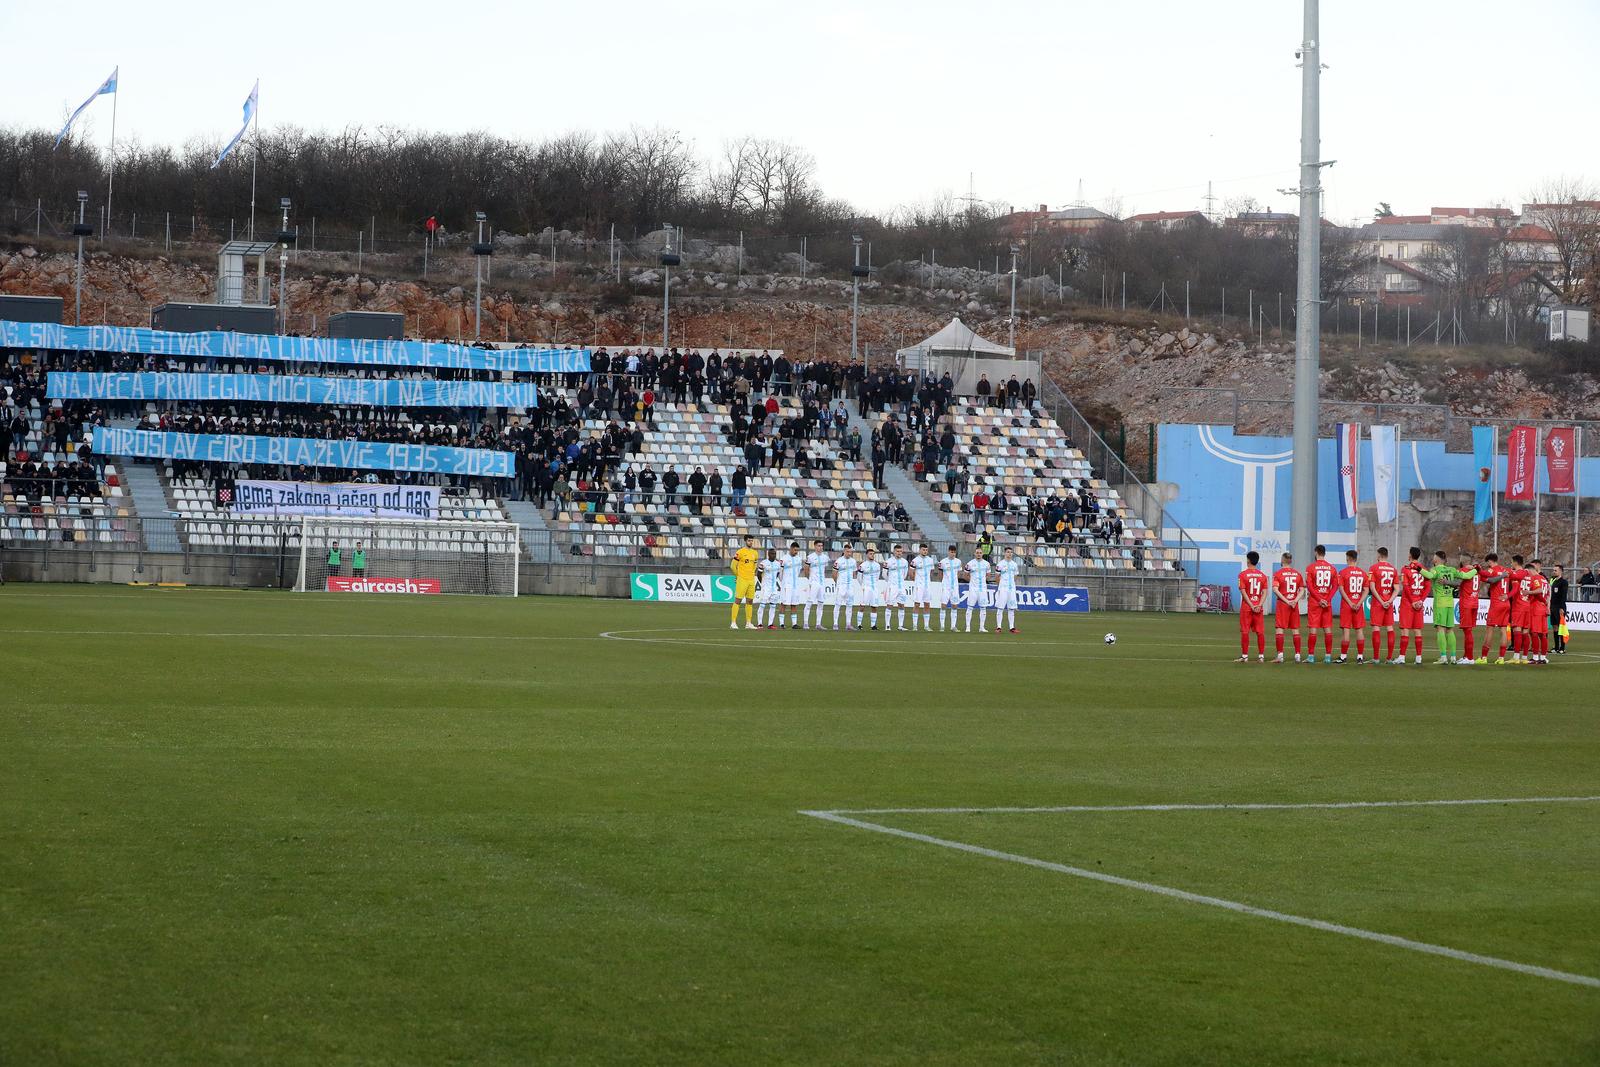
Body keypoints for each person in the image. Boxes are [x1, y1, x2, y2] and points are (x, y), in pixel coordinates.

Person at [1420, 550, 1461, 664]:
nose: (1433, 558)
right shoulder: (1452, 570)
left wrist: (1418, 568)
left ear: (1436, 559)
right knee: (1450, 630)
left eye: (1434, 557)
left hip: (1440, 603)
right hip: (1450, 602)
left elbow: (1428, 575)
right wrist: (1474, 570)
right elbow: (1464, 577)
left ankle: (1443, 657)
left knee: (1440, 629)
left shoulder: (1435, 570)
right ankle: (1453, 657)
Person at [1334, 550, 1369, 664]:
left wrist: (1349, 602)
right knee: (1359, 630)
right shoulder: (1363, 573)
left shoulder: (1343, 572)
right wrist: (1359, 602)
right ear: (1356, 559)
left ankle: (1343, 657)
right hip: (1358, 605)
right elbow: (1366, 590)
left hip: (1347, 605)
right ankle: (1360, 657)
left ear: (1348, 558)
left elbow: (1341, 589)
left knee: (1346, 630)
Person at [1304, 545, 1338, 664]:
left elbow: (1309, 585)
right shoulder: (1332, 568)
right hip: (1326, 602)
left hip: (1315, 602)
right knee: (1327, 628)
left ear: (1316, 553)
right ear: (1324, 553)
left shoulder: (1311, 567)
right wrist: (1327, 599)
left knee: (1313, 628)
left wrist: (1319, 599)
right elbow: (1335, 586)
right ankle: (1328, 656)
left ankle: (1311, 656)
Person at [1397, 547, 1430, 665]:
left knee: (1405, 629)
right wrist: (1421, 600)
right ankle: (1418, 658)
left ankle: (1402, 657)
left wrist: (1412, 601)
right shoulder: (1423, 569)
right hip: (1419, 603)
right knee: (1417, 630)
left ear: (1410, 555)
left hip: (1408, 602)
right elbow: (1428, 586)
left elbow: (1405, 587)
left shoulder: (1405, 569)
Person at [1367, 547, 1399, 664]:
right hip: (1388, 603)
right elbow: (1397, 589)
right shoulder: (1393, 569)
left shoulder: (1373, 568)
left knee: (1376, 628)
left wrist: (1380, 601)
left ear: (1379, 555)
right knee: (1390, 628)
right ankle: (1389, 658)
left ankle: (1376, 658)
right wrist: (1389, 601)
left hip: (1377, 603)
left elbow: (1372, 587)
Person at [1477, 551, 1511, 664]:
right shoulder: (1505, 570)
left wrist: (1479, 570)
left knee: (1489, 629)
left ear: (1490, 561)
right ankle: (1501, 658)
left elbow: (1488, 577)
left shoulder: (1493, 570)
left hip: (1496, 603)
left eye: (1488, 563)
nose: (1488, 566)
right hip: (1506, 602)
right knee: (1503, 630)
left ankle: (1484, 657)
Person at [1270, 551, 1304, 663]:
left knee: (1280, 628)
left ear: (1282, 560)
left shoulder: (1278, 574)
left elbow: (1275, 589)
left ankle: (1280, 656)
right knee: (1295, 629)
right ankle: (1298, 655)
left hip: (1283, 604)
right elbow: (1302, 590)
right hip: (1294, 605)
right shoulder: (1297, 574)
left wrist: (1287, 601)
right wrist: (1295, 600)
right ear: (1291, 561)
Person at [1238, 550, 1268, 663]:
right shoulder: (1263, 576)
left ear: (1248, 560)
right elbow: (1265, 592)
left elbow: (1243, 592)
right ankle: (1261, 656)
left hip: (1247, 607)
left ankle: (1245, 656)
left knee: (1245, 631)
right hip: (1258, 608)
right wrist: (1259, 605)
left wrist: (1251, 605)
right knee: (1260, 632)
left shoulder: (1242, 575)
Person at [1453, 552, 1482, 667]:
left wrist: (1446, 582)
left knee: (1467, 631)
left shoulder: (1464, 571)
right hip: (1475, 602)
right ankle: (1466, 656)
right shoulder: (1477, 572)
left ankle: (1470, 657)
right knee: (1467, 631)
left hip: (1466, 603)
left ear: (1463, 561)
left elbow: (1458, 582)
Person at [730, 535, 760, 629]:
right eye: (749, 541)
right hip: (742, 579)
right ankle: (733, 622)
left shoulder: (755, 553)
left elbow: (755, 565)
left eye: (752, 541)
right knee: (738, 600)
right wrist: (737, 576)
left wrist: (752, 573)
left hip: (751, 579)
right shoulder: (740, 552)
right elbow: (732, 566)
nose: (751, 542)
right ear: (745, 541)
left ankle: (748, 623)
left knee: (750, 601)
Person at [1525, 561, 1551, 665]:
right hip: (1543, 608)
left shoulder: (1535, 578)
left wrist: (1528, 592)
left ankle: (1536, 657)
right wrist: (1547, 606)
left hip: (1536, 608)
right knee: (1542, 634)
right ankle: (1543, 657)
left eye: (1527, 572)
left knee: (1535, 633)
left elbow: (1539, 591)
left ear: (1529, 570)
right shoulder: (1544, 579)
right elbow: (1548, 594)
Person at [1508, 554, 1533, 664]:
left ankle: (1516, 657)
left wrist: (1507, 596)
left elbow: (1514, 585)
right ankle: (1524, 658)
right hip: (1527, 604)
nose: (1511, 564)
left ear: (1515, 562)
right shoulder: (1529, 575)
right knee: (1525, 632)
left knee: (1517, 631)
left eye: (1511, 562)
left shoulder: (1517, 574)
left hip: (1518, 605)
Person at [775, 541, 805, 629]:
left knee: (794, 604)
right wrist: (783, 581)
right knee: (783, 603)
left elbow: (798, 571)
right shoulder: (784, 559)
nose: (796, 552)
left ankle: (794, 624)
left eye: (797, 551)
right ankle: (781, 624)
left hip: (795, 585)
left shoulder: (798, 559)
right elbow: (780, 572)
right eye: (795, 550)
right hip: (786, 585)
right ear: (791, 549)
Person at [802, 539, 831, 630]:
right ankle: (806, 623)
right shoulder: (810, 557)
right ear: (814, 546)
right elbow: (806, 569)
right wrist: (810, 580)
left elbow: (824, 569)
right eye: (818, 546)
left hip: (822, 583)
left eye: (822, 546)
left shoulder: (825, 557)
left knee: (821, 603)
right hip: (813, 582)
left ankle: (818, 624)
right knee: (810, 602)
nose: (820, 547)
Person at [993, 546, 1022, 634]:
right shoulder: (1000, 564)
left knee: (1011, 608)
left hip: (1011, 589)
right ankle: (998, 627)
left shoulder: (1014, 564)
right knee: (1000, 608)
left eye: (1011, 552)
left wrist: (1011, 583)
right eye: (1008, 552)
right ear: (1004, 553)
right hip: (1003, 589)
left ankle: (1012, 628)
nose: (1009, 554)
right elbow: (997, 576)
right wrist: (1000, 586)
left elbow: (1016, 575)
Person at [833, 543, 860, 631]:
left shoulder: (853, 561)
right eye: (847, 552)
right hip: (841, 586)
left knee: (850, 605)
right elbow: (834, 574)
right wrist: (838, 583)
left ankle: (848, 624)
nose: (849, 553)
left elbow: (854, 573)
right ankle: (835, 624)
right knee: (838, 604)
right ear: (844, 551)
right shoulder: (838, 561)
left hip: (850, 586)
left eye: (850, 552)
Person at [911, 543, 937, 631]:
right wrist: (916, 581)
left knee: (927, 604)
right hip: (919, 585)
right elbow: (911, 572)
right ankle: (915, 625)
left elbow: (932, 571)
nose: (925, 551)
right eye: (923, 550)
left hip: (927, 585)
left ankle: (926, 626)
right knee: (917, 604)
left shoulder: (930, 560)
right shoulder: (915, 560)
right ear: (919, 550)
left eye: (926, 550)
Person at [964, 550, 992, 633]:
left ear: (982, 554)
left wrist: (983, 581)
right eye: (977, 553)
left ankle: (982, 627)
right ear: (974, 553)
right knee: (970, 607)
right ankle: (968, 627)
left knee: (983, 607)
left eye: (980, 553)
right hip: (973, 589)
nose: (979, 554)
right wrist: (972, 582)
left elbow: (988, 575)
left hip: (983, 589)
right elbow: (965, 575)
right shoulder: (970, 564)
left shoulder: (986, 564)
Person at [856, 547, 884, 631]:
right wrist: (864, 585)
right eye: (870, 554)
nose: (872, 555)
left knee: (874, 606)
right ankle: (859, 624)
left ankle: (873, 625)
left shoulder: (877, 565)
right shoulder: (863, 565)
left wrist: (874, 585)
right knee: (862, 606)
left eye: (873, 554)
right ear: (867, 555)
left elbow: (877, 576)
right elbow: (859, 578)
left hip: (874, 588)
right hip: (866, 587)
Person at [885, 544, 911, 631]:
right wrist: (890, 582)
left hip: (901, 587)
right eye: (897, 551)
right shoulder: (888, 561)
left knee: (901, 605)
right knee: (890, 604)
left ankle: (900, 626)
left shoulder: (905, 562)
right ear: (894, 552)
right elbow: (884, 574)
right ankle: (887, 625)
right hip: (892, 587)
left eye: (900, 551)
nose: (899, 553)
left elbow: (905, 573)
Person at [938, 544, 963, 632]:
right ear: (948, 552)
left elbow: (959, 573)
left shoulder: (958, 562)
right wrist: (943, 582)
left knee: (954, 605)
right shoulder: (943, 562)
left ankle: (953, 626)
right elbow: (940, 573)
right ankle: (942, 626)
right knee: (943, 605)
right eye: (951, 552)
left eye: (954, 552)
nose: (952, 554)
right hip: (946, 586)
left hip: (955, 587)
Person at [756, 548, 781, 629]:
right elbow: (759, 574)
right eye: (772, 554)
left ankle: (770, 624)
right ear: (768, 554)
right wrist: (762, 583)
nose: (773, 555)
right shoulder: (763, 563)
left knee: (773, 606)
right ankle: (760, 624)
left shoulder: (778, 564)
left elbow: (777, 574)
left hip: (774, 588)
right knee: (762, 605)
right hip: (765, 587)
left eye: (774, 554)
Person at [1550, 564, 1569, 654]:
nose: (1554, 572)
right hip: (1553, 606)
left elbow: (1563, 596)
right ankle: (1556, 647)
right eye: (1553, 570)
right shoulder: (1554, 581)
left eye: (1555, 570)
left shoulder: (1564, 582)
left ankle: (1562, 647)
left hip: (1559, 607)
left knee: (1561, 627)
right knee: (1554, 627)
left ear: (1561, 571)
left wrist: (1562, 607)